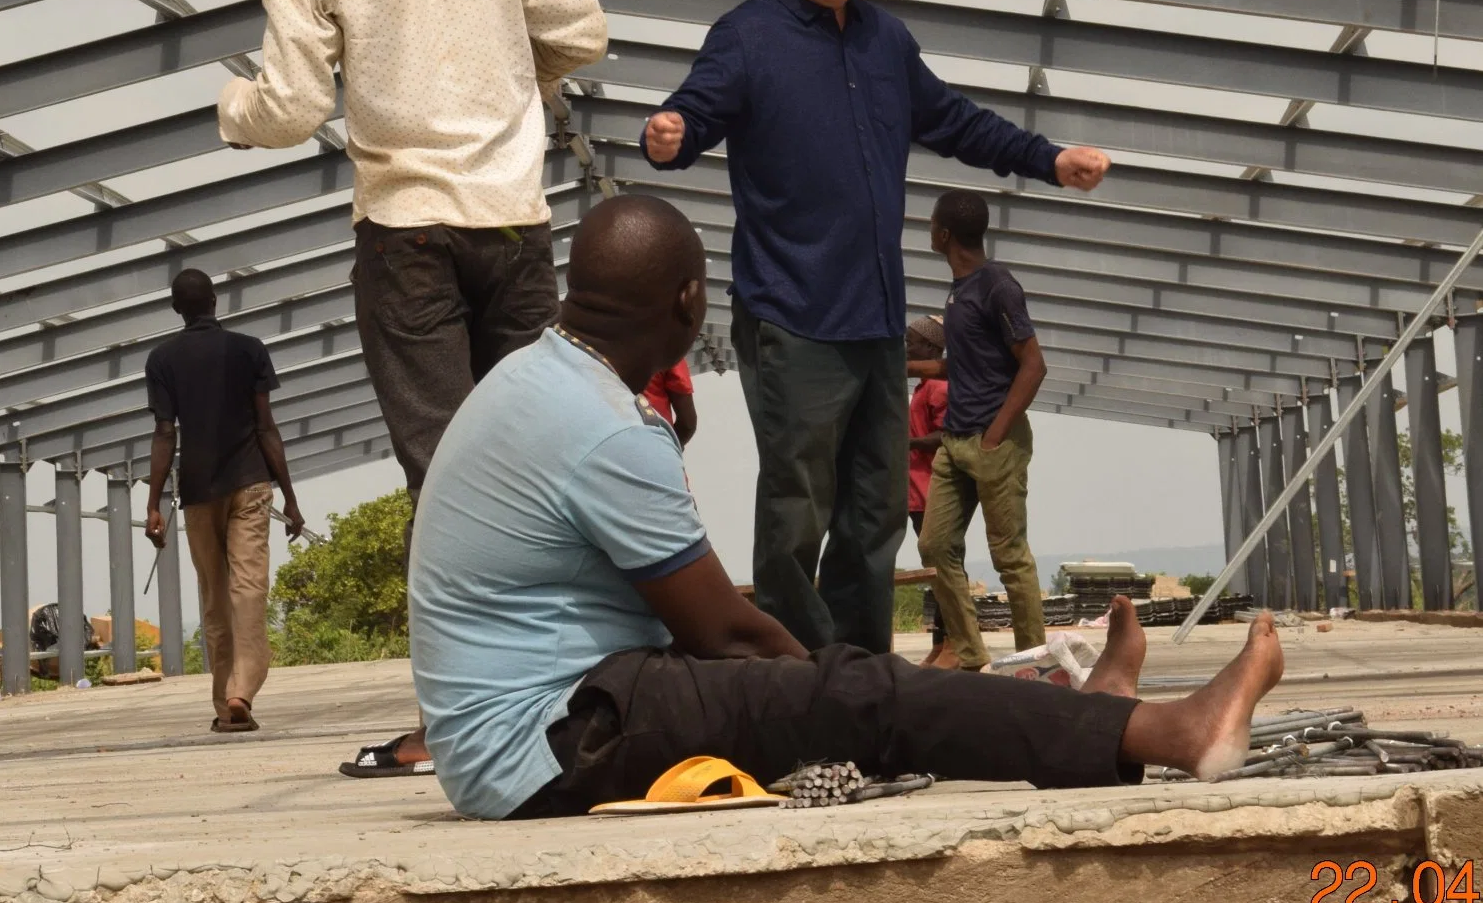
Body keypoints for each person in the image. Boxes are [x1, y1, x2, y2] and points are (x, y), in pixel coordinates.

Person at [409, 194, 1284, 820]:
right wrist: (835, 703)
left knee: (840, 691)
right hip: (549, 744)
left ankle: (1098, 722)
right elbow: (735, 638)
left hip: (534, 730)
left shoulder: (535, 381)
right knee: (852, 688)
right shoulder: (604, 426)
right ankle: (1168, 732)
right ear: (687, 300)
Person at [218, 0, 607, 774]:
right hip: (515, 221)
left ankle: (464, 719)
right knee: (538, 456)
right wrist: (511, 81)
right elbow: (583, 29)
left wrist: (234, 111)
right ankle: (579, 692)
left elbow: (295, 105)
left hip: (408, 233)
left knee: (447, 475)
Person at [641, 0, 1111, 657]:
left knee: (874, 509)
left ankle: (857, 667)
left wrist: (1049, 158)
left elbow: (958, 122)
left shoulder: (885, 42)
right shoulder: (748, 36)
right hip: (791, 314)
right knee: (798, 506)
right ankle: (794, 671)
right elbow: (697, 109)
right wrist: (671, 136)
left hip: (874, 319)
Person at [144, 268, 306, 734]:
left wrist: (154, 504)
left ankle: (223, 705)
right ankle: (242, 690)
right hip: (251, 483)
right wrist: (291, 499)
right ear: (215, 302)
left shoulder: (162, 360)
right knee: (249, 588)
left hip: (197, 492)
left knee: (215, 595)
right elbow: (266, 428)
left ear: (176, 308)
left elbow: (163, 433)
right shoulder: (249, 350)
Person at [918, 191, 1050, 672]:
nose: (928, 231)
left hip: (995, 442)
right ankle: (972, 656)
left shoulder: (998, 285)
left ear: (945, 234)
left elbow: (1033, 365)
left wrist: (995, 434)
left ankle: (1033, 662)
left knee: (1009, 557)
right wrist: (900, 365)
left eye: (931, 225)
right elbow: (960, 365)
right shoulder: (959, 290)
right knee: (934, 545)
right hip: (955, 443)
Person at [905, 314, 948, 663]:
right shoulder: (922, 387)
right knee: (933, 570)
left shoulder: (938, 387)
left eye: (912, 343)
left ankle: (948, 642)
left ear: (932, 349)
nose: (907, 349)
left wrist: (907, 443)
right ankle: (942, 643)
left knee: (941, 570)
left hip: (929, 490)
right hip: (914, 492)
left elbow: (945, 435)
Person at [643, 356, 698, 446]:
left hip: (613, 440)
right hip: (655, 443)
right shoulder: (667, 348)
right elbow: (688, 425)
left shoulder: (614, 347)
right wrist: (669, 448)